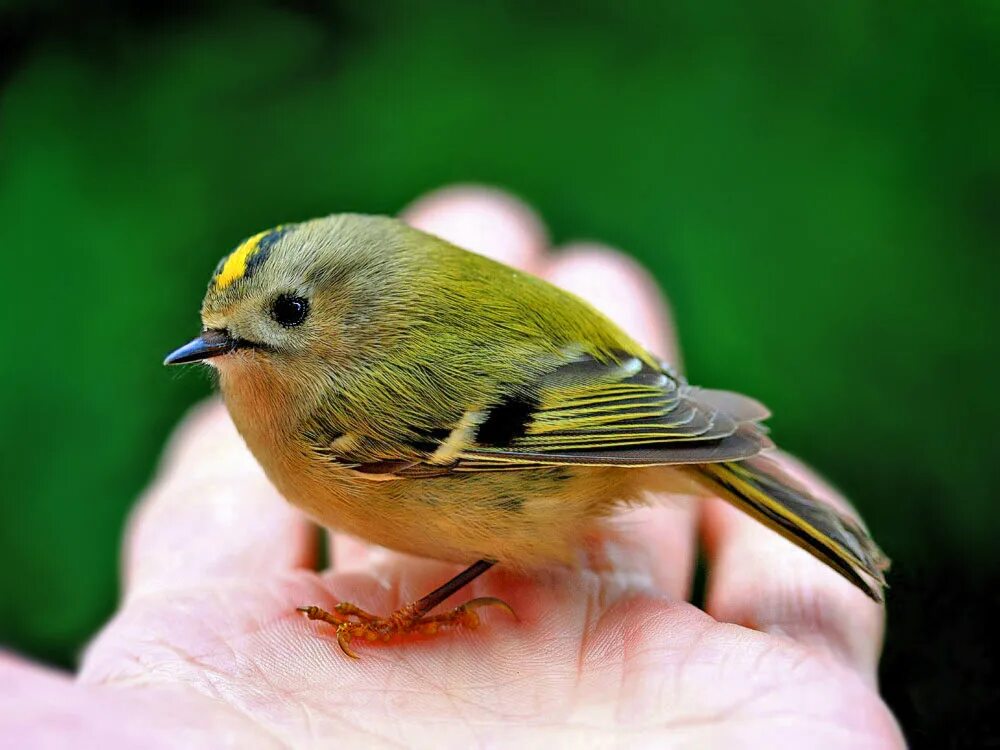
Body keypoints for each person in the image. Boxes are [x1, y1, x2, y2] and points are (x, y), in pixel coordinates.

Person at [0, 187, 904, 748]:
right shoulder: (284, 383)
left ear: (348, 302)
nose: (238, 342)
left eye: (288, 312)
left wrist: (406, 620)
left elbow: (519, 446)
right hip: (587, 372)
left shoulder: (338, 407)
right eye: (227, 327)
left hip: (563, 438)